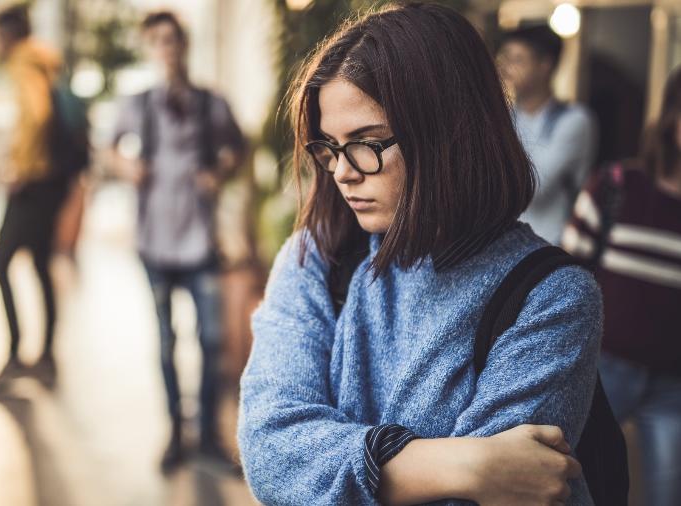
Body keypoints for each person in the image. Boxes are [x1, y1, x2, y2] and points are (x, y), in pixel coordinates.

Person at [237, 4, 603, 505]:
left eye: (365, 143)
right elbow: (270, 450)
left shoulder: (550, 298)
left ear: (448, 133)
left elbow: (499, 495)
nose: (342, 173)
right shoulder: (318, 256)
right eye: (330, 147)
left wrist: (344, 467)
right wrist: (461, 463)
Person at [109, 11, 246, 472]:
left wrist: (219, 172)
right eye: (157, 41)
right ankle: (175, 432)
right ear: (151, 49)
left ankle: (208, 432)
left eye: (172, 39)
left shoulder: (211, 103)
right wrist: (127, 167)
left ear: (183, 45)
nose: (166, 48)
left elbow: (238, 148)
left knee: (211, 340)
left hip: (201, 242)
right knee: (165, 341)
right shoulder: (139, 104)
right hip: (155, 242)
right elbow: (108, 148)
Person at [563, 67, 681, 506]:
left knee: (668, 493)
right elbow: (565, 278)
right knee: (575, 483)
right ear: (670, 117)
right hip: (601, 368)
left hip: (674, 386)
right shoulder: (616, 186)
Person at [0, 4, 66, 391]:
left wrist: (19, 167)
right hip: (52, 182)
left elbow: (37, 115)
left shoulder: (22, 61)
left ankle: (16, 355)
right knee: (39, 265)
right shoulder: (45, 59)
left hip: (33, 182)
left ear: (10, 34)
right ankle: (46, 355)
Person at [498, 25, 597, 244]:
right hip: (508, 244)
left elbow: (534, 187)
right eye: (505, 58)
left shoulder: (574, 120)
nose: (506, 68)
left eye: (518, 60)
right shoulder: (505, 118)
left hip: (553, 245)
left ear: (545, 65)